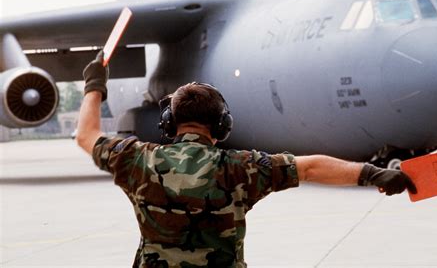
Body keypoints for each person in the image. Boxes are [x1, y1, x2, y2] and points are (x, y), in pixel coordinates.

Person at [77, 51, 417, 268]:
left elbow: (86, 135)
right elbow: (311, 166)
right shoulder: (242, 168)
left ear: (169, 124)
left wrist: (94, 85)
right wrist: (372, 174)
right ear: (222, 125)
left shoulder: (137, 160)